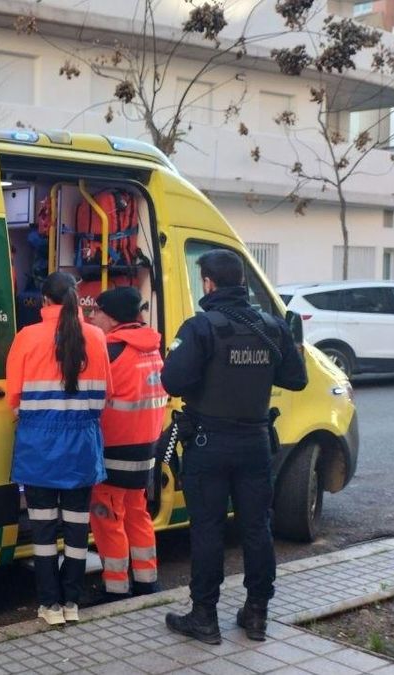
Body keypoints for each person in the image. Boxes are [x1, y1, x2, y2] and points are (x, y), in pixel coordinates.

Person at [161, 250, 307, 644]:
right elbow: (297, 379)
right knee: (257, 528)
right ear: (241, 281)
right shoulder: (272, 326)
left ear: (208, 283)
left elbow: (172, 381)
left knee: (207, 529)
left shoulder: (202, 327)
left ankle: (204, 617)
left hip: (209, 444)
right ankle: (257, 613)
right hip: (256, 443)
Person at [6, 271, 114, 626]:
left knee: (43, 531)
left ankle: (49, 606)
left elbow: (13, 396)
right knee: (76, 530)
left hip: (38, 448)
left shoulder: (27, 337)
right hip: (81, 448)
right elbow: (107, 395)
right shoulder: (97, 337)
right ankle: (72, 603)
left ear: (44, 301)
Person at [87, 287, 166, 601]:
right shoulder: (152, 347)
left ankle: (116, 587)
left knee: (107, 517)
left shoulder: (109, 350)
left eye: (97, 312)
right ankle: (147, 582)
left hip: (113, 449)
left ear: (112, 316)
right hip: (146, 448)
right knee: (137, 513)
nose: (92, 317)